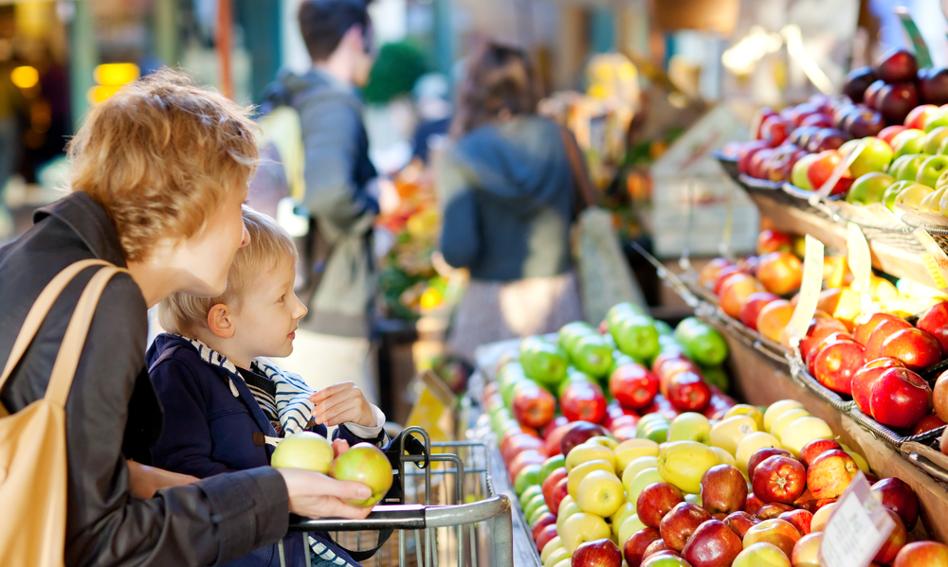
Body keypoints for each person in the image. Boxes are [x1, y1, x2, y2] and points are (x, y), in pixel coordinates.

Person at [0, 69, 374, 566]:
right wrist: (272, 494)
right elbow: (104, 542)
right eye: (238, 206)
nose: (243, 235)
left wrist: (237, 490)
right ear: (188, 203)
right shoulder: (104, 297)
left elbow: (74, 473)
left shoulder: (41, 257)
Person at [149, 208, 387, 567]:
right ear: (224, 318)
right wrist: (278, 488)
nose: (300, 308)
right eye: (282, 297)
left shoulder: (271, 382)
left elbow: (328, 474)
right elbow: (187, 487)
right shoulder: (177, 377)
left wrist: (362, 427)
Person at [263, 0, 381, 400]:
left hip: (305, 296)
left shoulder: (297, 95)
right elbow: (330, 193)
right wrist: (372, 203)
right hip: (331, 306)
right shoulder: (334, 104)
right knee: (349, 443)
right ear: (355, 36)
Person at [437, 41, 584, 361]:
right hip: (557, 300)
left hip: (491, 307)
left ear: (473, 89)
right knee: (566, 398)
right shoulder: (560, 137)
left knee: (493, 403)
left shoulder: (462, 153)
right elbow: (583, 208)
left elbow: (458, 250)